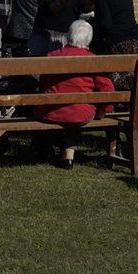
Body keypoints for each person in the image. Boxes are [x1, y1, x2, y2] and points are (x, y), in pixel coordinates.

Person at [35, 20, 112, 168]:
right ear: (89, 39)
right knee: (77, 111)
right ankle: (68, 156)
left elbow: (43, 85)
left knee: (68, 110)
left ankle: (46, 150)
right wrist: (104, 110)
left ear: (68, 37)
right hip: (79, 114)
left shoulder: (52, 55)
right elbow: (107, 89)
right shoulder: (93, 60)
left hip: (49, 112)